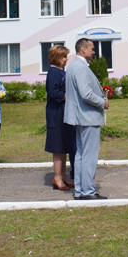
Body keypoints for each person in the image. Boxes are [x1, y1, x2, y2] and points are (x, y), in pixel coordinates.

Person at [64, 38, 109, 200]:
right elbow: (86, 94)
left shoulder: (73, 66)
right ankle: (87, 191)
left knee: (80, 155)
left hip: (79, 117)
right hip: (87, 117)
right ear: (83, 49)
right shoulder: (80, 67)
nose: (94, 52)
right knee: (89, 155)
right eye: (92, 48)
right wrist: (102, 102)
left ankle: (80, 190)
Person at [44, 45, 75, 190]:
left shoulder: (60, 71)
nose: (66, 59)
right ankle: (57, 178)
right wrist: (69, 96)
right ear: (56, 58)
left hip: (63, 112)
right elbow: (54, 92)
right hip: (56, 113)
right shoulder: (53, 72)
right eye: (64, 56)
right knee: (58, 146)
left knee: (64, 146)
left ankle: (63, 176)